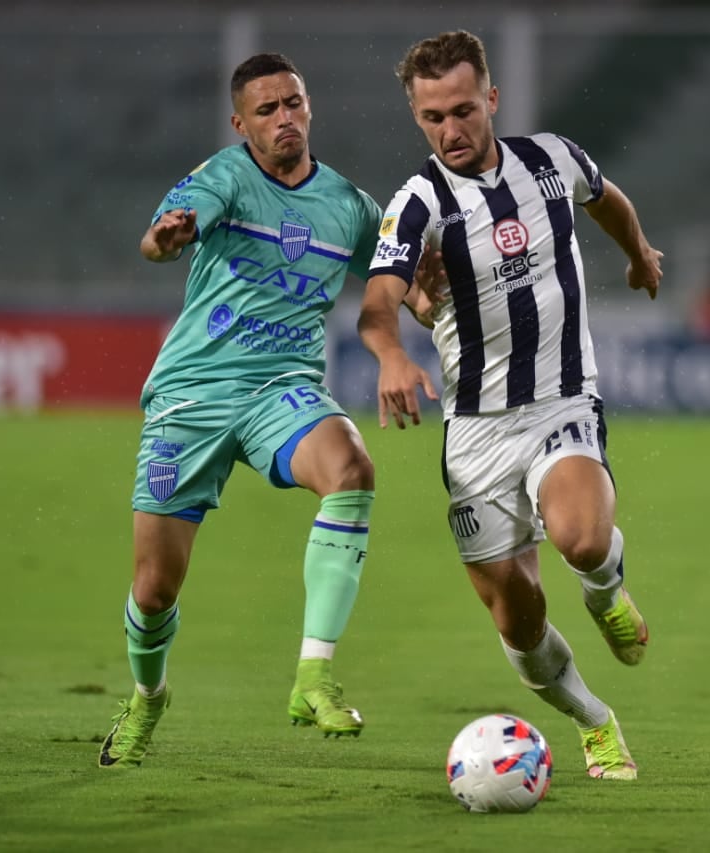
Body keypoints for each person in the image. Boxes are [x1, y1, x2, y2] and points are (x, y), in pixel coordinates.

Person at [99, 53, 432, 768]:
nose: (284, 117)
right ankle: (147, 697)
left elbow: (399, 283)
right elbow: (165, 232)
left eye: (294, 102)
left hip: (281, 389)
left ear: (308, 107)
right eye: (267, 109)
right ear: (240, 123)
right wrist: (168, 238)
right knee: (154, 590)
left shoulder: (349, 205)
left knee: (352, 469)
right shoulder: (226, 178)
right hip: (193, 394)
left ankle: (312, 675)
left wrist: (437, 306)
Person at [358, 30, 662, 781]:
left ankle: (605, 588)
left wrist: (638, 250)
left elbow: (607, 197)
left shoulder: (552, 159)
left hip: (560, 399)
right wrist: (393, 350)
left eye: (463, 110)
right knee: (519, 623)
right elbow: (378, 302)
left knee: (582, 537)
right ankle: (595, 720)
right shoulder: (418, 204)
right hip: (474, 435)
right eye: (432, 118)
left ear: (491, 99)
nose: (450, 130)